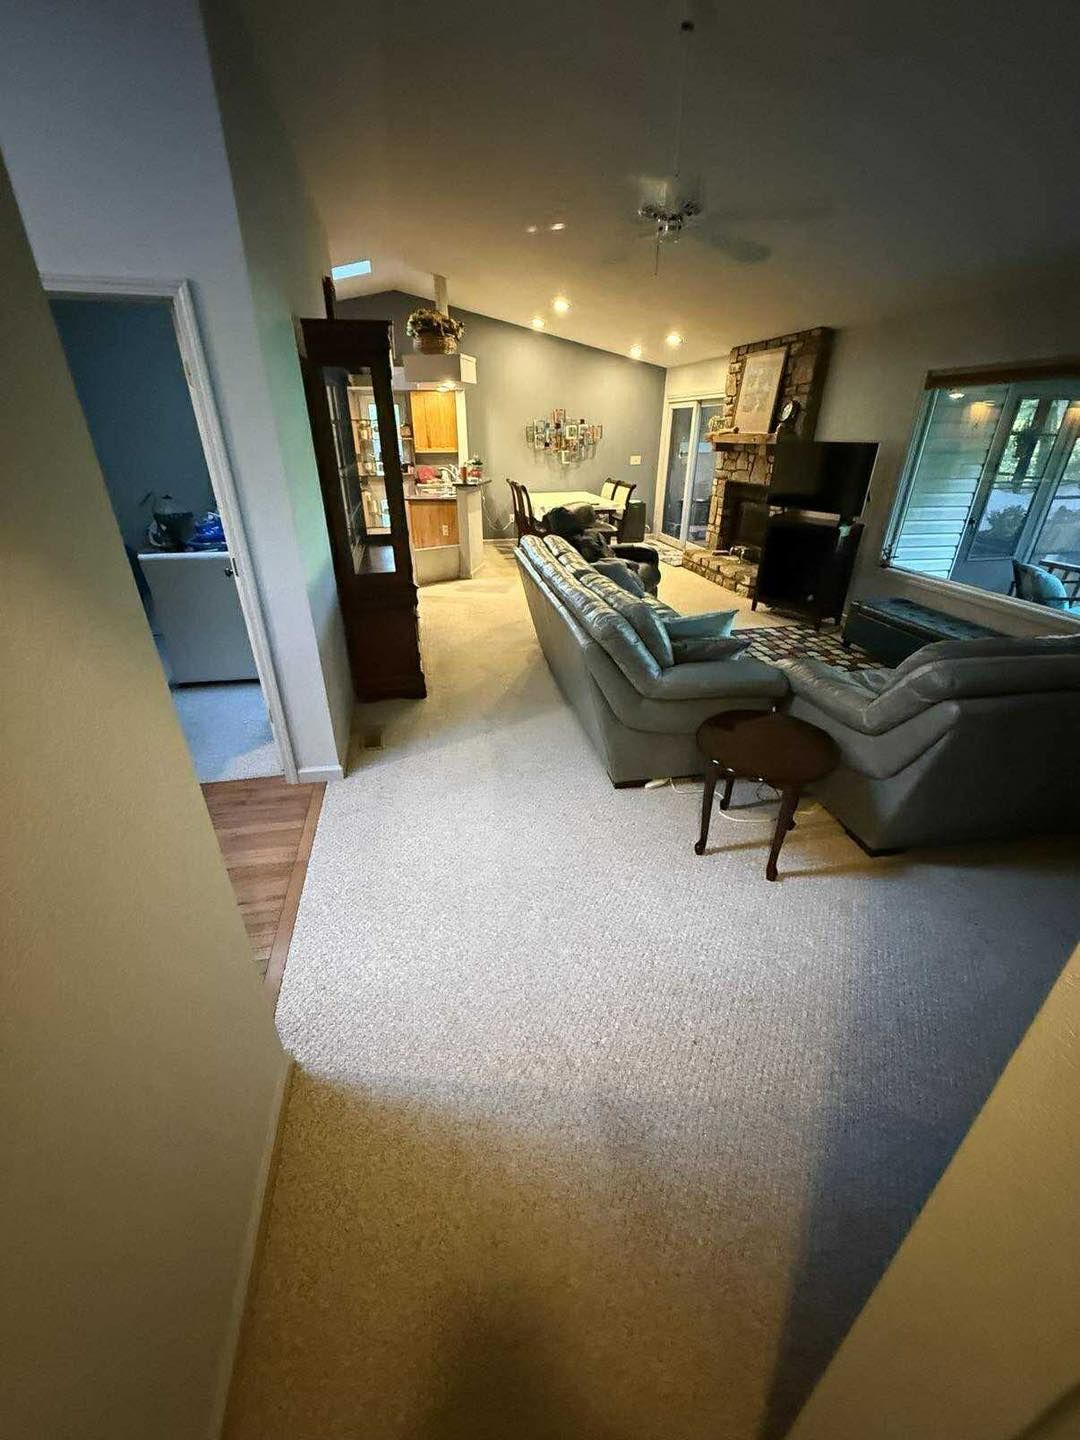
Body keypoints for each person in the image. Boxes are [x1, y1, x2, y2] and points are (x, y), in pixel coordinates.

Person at [543, 504, 662, 594]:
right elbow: (605, 562)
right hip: (616, 565)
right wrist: (627, 563)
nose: (572, 512)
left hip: (611, 558)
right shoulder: (585, 544)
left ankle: (651, 602)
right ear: (570, 521)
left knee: (650, 553)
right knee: (650, 561)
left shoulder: (575, 538)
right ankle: (648, 599)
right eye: (568, 512)